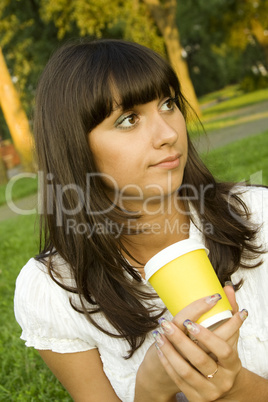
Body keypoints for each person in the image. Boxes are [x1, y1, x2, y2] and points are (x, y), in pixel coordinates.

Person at [14, 39, 268, 402]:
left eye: (168, 104)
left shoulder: (260, 217)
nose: (168, 134)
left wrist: (234, 386)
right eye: (128, 120)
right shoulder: (52, 291)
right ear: (75, 147)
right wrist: (151, 389)